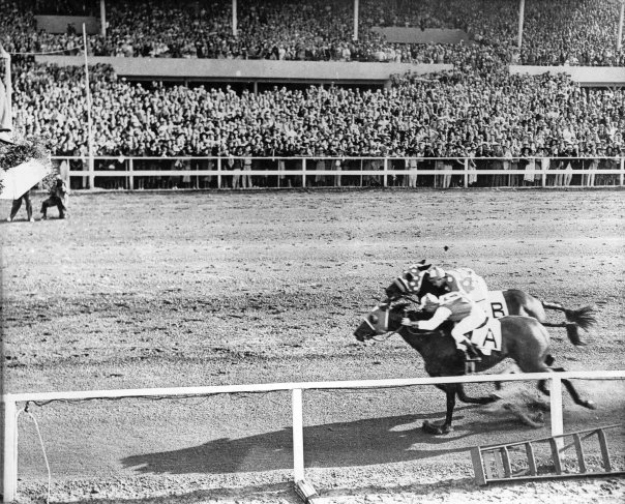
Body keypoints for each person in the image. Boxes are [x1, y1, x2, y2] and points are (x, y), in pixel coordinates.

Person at [401, 291, 485, 361]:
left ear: (431, 305)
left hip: (476, 316)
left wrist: (411, 323)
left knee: (456, 332)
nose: (426, 310)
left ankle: (473, 354)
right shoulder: (443, 298)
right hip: (475, 309)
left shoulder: (442, 310)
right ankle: (467, 347)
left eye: (426, 308)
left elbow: (430, 325)